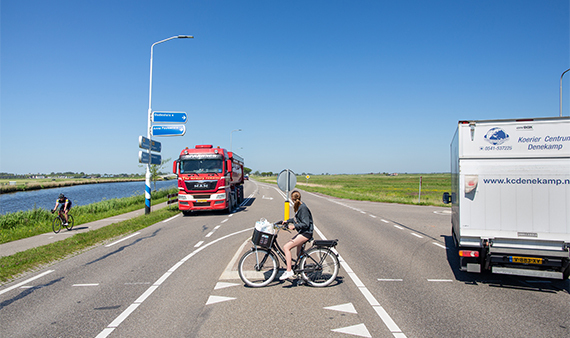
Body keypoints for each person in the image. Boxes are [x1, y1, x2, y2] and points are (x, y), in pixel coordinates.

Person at [279, 190, 314, 280]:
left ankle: (289, 270)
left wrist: (294, 226)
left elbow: (305, 223)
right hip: (303, 232)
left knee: (286, 247)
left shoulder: (303, 208)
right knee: (299, 253)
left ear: (292, 198)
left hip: (306, 233)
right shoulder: (299, 205)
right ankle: (304, 275)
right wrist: (288, 221)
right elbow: (297, 219)